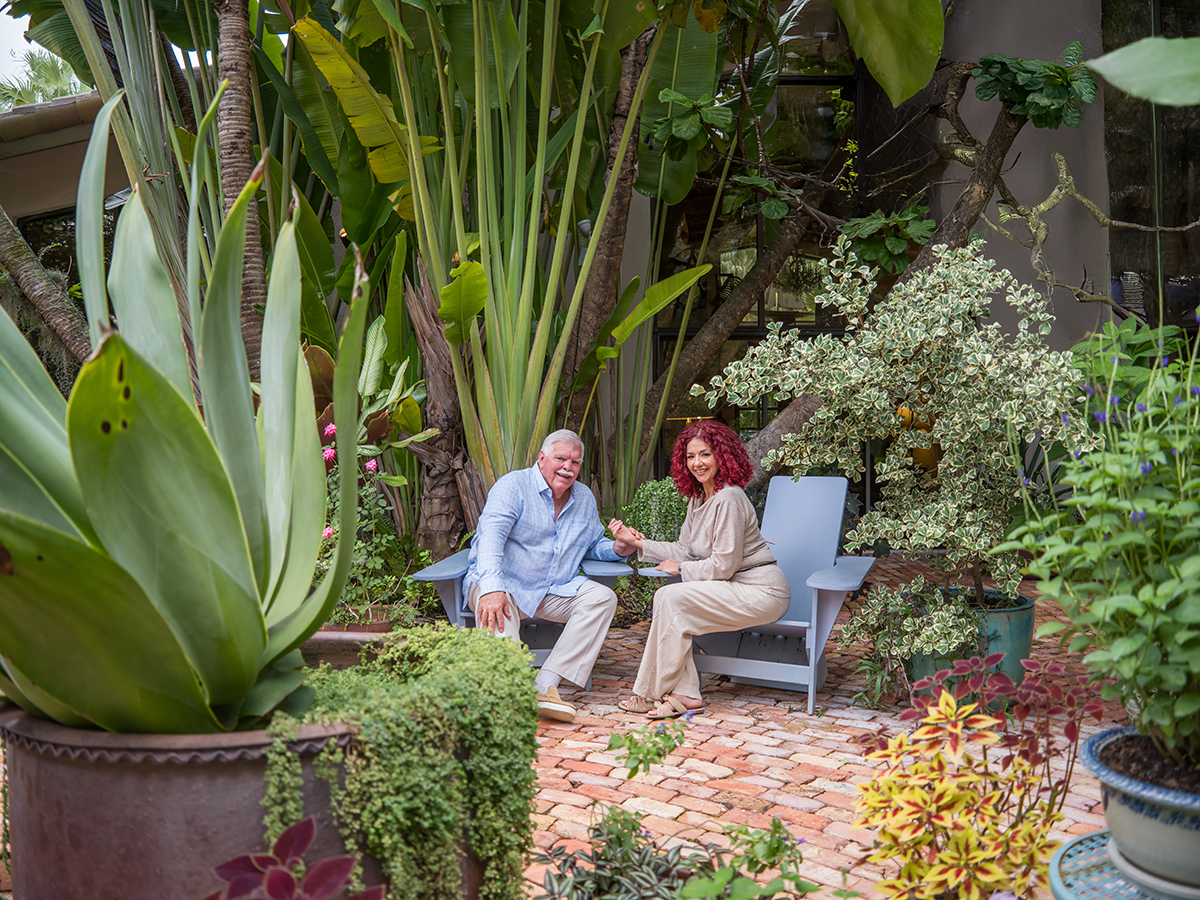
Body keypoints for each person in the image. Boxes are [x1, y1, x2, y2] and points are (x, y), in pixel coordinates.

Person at [610, 419, 790, 719]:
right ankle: (685, 693)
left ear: (723, 455)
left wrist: (681, 568)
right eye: (691, 456)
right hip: (733, 588)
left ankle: (648, 694)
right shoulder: (698, 499)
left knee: (671, 598)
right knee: (670, 600)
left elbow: (724, 565)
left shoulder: (729, 498)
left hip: (762, 591)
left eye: (705, 454)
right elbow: (685, 549)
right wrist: (637, 543)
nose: (697, 463)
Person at [463, 429, 639, 724]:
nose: (568, 467)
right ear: (542, 458)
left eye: (575, 462)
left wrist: (619, 547)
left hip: (554, 589)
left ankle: (545, 685)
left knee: (602, 599)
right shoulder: (513, 486)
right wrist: (491, 588)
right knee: (496, 609)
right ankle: (513, 693)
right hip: (505, 585)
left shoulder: (583, 497)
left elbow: (593, 543)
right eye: (561, 459)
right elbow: (491, 538)